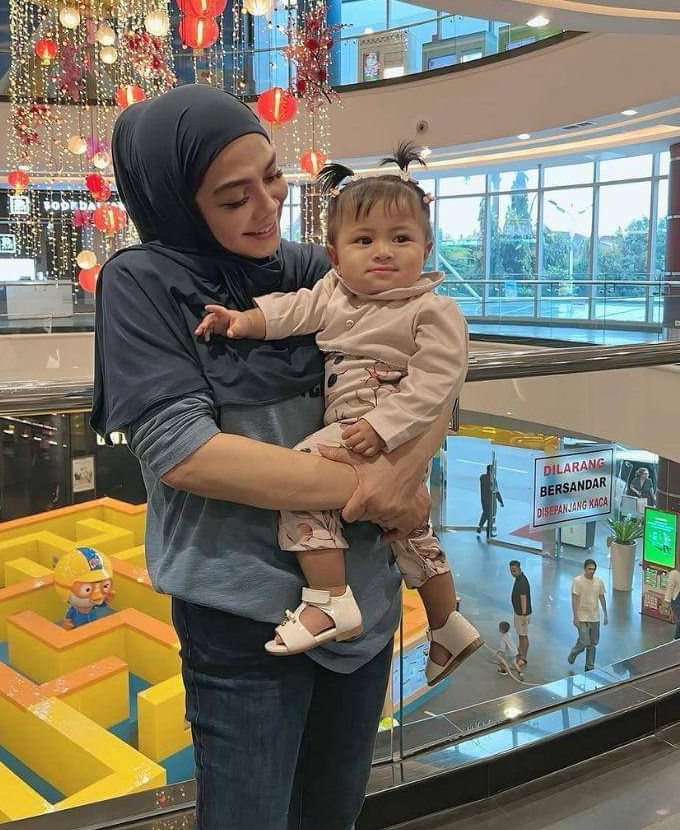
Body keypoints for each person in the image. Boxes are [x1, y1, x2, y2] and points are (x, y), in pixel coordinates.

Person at [92, 85, 453, 830]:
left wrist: (403, 468)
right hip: (246, 612)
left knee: (333, 811)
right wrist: (371, 487)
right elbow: (186, 454)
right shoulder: (144, 282)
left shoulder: (319, 265)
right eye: (233, 198)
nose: (268, 206)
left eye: (273, 176)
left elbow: (432, 367)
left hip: (365, 598)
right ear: (178, 203)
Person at [196, 146, 482, 685]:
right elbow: (294, 308)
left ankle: (328, 598)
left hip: (380, 426)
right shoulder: (335, 293)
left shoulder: (432, 309)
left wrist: (385, 427)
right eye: (364, 240)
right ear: (334, 253)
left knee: (300, 482)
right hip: (365, 428)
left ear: (426, 247)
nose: (383, 252)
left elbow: (438, 381)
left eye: (401, 238)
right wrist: (245, 321)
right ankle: (447, 623)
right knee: (405, 525)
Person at [568, 558, 608, 671]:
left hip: (594, 617)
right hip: (582, 617)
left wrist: (605, 614)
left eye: (593, 569)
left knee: (593, 643)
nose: (592, 571)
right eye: (589, 569)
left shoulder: (599, 582)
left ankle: (589, 666)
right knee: (584, 641)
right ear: (585, 568)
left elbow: (602, 597)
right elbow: (574, 599)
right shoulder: (578, 581)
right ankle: (574, 652)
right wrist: (575, 617)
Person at [509, 560, 531, 668]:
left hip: (522, 614)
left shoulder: (522, 582)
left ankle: (523, 658)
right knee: (520, 634)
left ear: (519, 569)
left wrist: (524, 615)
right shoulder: (518, 579)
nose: (512, 573)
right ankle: (520, 651)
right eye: (511, 571)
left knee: (523, 635)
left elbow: (523, 598)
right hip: (518, 612)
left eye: (514, 571)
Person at [477, 462, 503, 537]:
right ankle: (489, 533)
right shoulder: (492, 480)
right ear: (491, 471)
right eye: (493, 471)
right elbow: (496, 491)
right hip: (491, 500)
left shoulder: (482, 478)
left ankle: (480, 526)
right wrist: (501, 501)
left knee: (485, 514)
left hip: (483, 499)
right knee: (490, 516)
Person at [663, 566, 680, 639]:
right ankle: (676, 638)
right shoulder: (674, 573)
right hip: (677, 601)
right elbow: (670, 588)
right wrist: (667, 601)